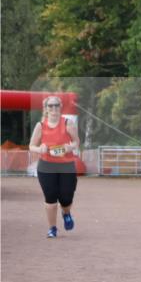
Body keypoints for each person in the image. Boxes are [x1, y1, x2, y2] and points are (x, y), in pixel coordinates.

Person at [27, 96, 81, 238]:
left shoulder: (68, 123)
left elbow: (77, 142)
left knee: (66, 197)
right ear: (46, 108)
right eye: (50, 106)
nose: (54, 108)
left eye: (56, 105)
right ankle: (52, 228)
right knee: (50, 198)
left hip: (66, 166)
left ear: (60, 107)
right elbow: (31, 146)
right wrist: (40, 149)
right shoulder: (40, 125)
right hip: (46, 167)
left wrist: (70, 147)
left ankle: (66, 213)